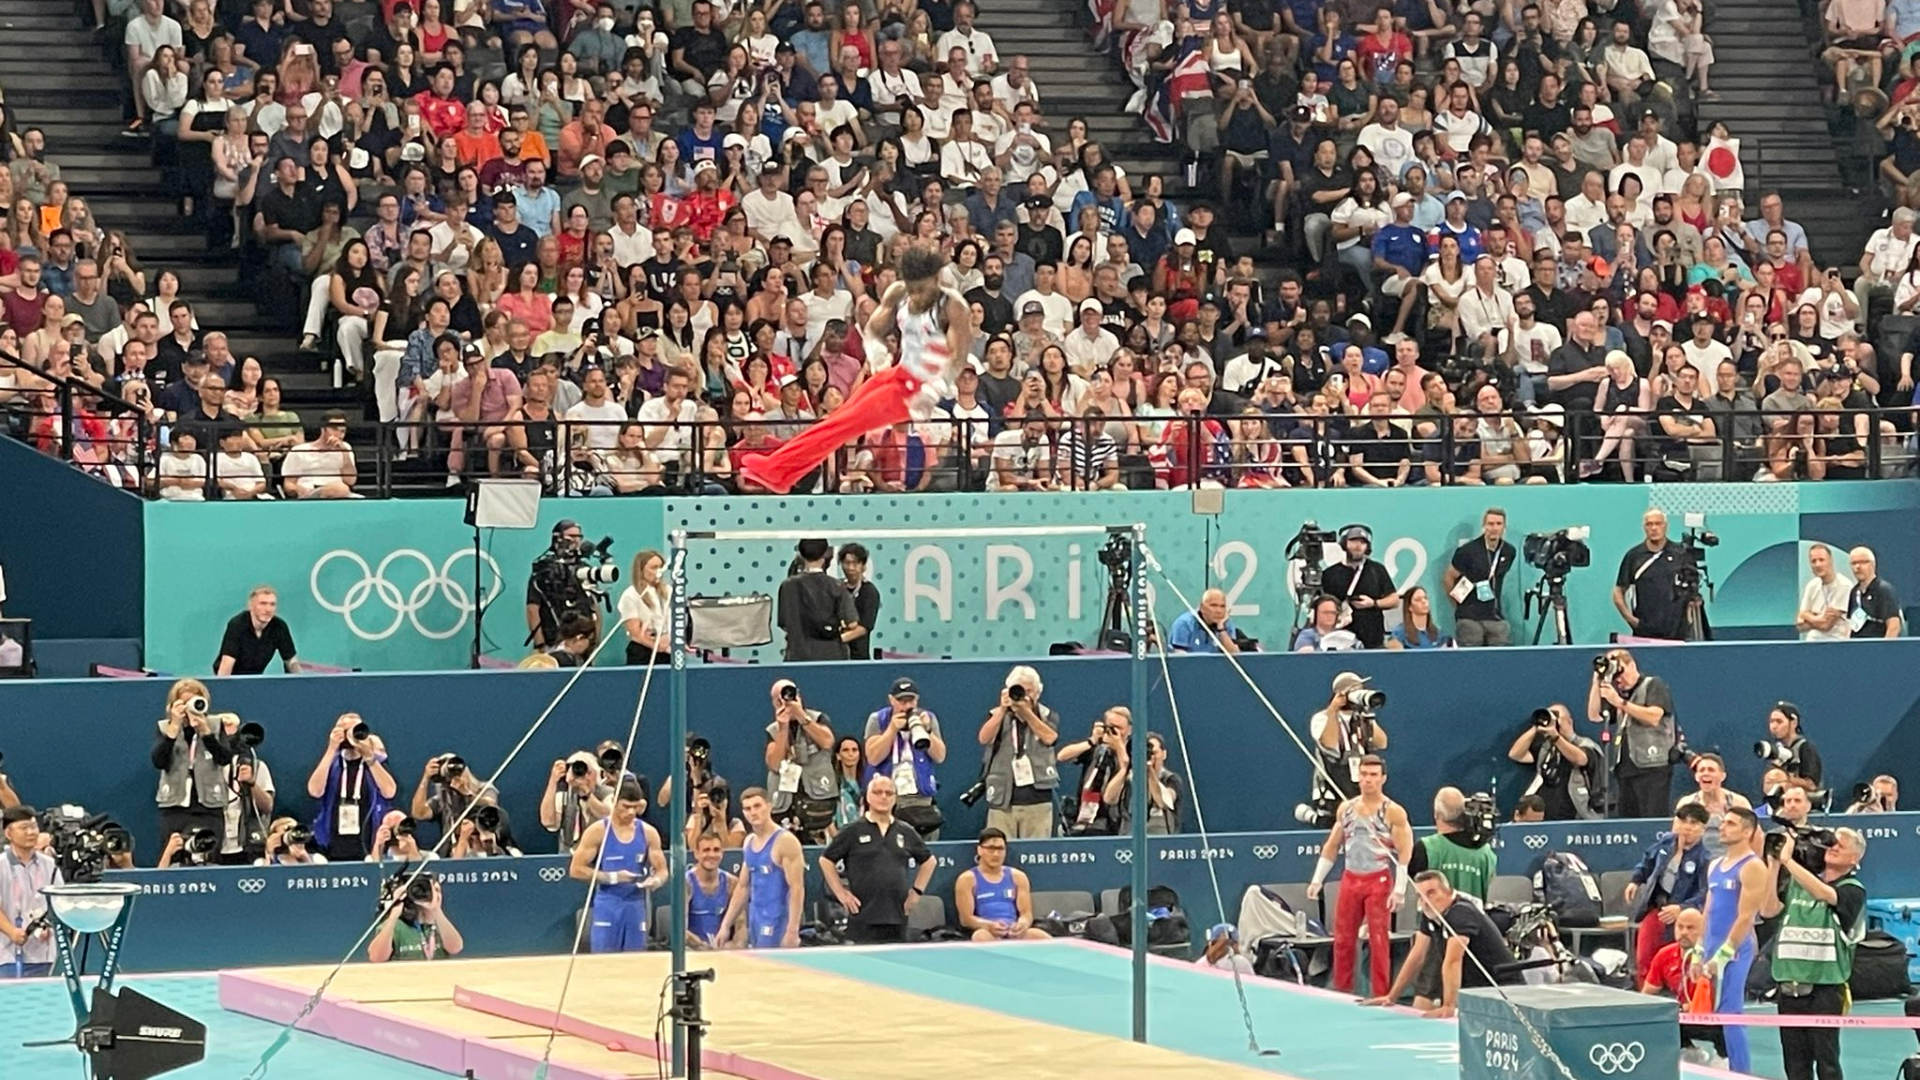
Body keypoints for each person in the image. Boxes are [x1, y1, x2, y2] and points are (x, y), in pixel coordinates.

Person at [739, 244, 973, 493]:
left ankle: (775, 469)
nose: (917, 295)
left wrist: (933, 391)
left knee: (841, 426)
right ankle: (784, 475)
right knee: (834, 421)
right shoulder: (898, 291)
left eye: (922, 288)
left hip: (916, 390)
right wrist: (877, 354)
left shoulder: (954, 306)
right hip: (897, 374)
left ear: (936, 278)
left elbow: (958, 358)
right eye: (913, 288)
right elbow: (873, 330)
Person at [1764, 826, 1867, 1080]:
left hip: (1825, 987)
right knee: (1795, 1062)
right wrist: (1774, 863)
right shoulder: (1797, 884)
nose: (1833, 847)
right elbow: (1767, 910)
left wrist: (1788, 861)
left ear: (1855, 859)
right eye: (1831, 844)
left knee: (1826, 1061)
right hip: (1789, 983)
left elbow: (1825, 894)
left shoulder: (1853, 889)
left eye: (1840, 846)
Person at [1309, 754, 1413, 997]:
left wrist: (1399, 889)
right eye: (1364, 775)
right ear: (1358, 777)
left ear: (1383, 779)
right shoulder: (1346, 809)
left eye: (1373, 775)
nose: (1368, 780)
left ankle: (1381, 994)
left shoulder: (1393, 812)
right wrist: (1317, 879)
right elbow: (1332, 845)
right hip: (1351, 879)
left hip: (1378, 880)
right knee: (1343, 940)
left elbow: (1404, 852)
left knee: (1378, 941)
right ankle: (1343, 992)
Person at [1362, 870, 1519, 1015]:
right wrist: (1392, 996)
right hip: (1473, 987)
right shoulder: (1430, 913)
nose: (1425, 901)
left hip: (1501, 989)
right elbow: (1417, 955)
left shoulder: (1461, 913)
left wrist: (1449, 1006)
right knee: (1422, 1003)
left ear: (1448, 892)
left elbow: (1453, 961)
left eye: (1431, 893)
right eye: (1420, 896)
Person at [819, 774, 938, 943]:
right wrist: (841, 893)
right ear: (868, 796)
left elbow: (929, 861)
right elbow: (826, 860)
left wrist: (917, 892)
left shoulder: (905, 831)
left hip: (897, 915)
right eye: (878, 792)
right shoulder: (853, 830)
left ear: (895, 798)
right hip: (862, 916)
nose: (883, 797)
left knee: (896, 965)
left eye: (889, 793)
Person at [1697, 807, 1771, 1074]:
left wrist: (1723, 954)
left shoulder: (1752, 867)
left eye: (1730, 823)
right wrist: (1698, 949)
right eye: (1723, 822)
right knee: (1712, 1012)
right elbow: (1708, 910)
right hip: (1712, 943)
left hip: (1736, 948)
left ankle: (1742, 1073)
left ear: (1747, 831)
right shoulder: (1715, 865)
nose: (1722, 828)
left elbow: (1746, 916)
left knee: (1731, 1013)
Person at [568, 779, 667, 953]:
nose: (631, 812)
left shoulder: (648, 833)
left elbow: (663, 870)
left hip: (636, 904)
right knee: (604, 961)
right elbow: (576, 869)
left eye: (635, 807)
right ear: (614, 801)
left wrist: (656, 881)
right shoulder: (598, 831)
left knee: (636, 961)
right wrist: (611, 877)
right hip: (608, 904)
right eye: (626, 806)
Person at [1587, 648, 1678, 818]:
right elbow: (1594, 715)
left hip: (1653, 766)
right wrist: (1597, 681)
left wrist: (1620, 703)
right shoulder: (1618, 693)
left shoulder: (1652, 684)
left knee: (1651, 819)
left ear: (1632, 665)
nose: (1618, 679)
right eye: (1615, 675)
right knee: (1629, 822)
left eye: (1620, 672)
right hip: (1626, 767)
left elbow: (1653, 717)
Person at [1624, 804, 1710, 979]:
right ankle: (1645, 997)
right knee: (1644, 958)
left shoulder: (1705, 858)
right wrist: (1636, 880)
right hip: (1657, 909)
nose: (1687, 827)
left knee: (1677, 962)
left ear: (1703, 828)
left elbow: (1705, 893)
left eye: (1693, 823)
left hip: (1682, 916)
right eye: (1683, 821)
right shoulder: (1665, 843)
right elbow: (1647, 860)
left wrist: (1682, 908)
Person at [151, 677, 236, 854]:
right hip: (175, 807)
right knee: (175, 856)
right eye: (184, 702)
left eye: (194, 701)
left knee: (209, 855)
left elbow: (224, 758)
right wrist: (173, 730)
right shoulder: (164, 727)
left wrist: (206, 733)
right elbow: (159, 762)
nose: (189, 707)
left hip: (209, 806)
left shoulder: (215, 725)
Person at [977, 664, 1061, 838]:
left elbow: (1050, 737)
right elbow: (984, 738)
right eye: (1019, 690)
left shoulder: (1047, 715)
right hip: (1003, 799)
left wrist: (1027, 712)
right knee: (1002, 853)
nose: (1024, 695)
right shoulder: (997, 714)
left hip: (1038, 800)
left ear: (1038, 693)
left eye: (1029, 691)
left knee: (1036, 854)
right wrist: (1001, 711)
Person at [1638, 909, 1729, 1064]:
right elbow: (1646, 996)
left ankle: (1724, 1059)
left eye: (1690, 928)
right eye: (1679, 927)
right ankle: (1690, 1051)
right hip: (1682, 1017)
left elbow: (1717, 1000)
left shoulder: (1712, 958)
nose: (1683, 932)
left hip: (1713, 1019)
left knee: (1728, 1030)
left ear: (1703, 931)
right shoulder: (1664, 955)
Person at [720, 788, 806, 948]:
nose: (753, 812)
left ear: (769, 806)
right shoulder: (749, 842)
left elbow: (797, 889)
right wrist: (726, 924)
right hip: (756, 918)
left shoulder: (785, 841)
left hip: (778, 920)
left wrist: (792, 930)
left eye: (757, 806)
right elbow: (743, 887)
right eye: (747, 808)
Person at [862, 676, 947, 838]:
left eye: (911, 700)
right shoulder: (878, 719)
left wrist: (926, 730)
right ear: (891, 700)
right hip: (888, 798)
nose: (907, 706)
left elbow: (940, 756)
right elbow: (872, 757)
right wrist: (891, 730)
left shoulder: (928, 718)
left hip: (920, 799)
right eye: (902, 701)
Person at [763, 679, 840, 843]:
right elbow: (774, 764)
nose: (785, 701)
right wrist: (783, 728)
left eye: (789, 695)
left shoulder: (817, 718)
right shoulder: (773, 729)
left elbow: (827, 741)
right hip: (786, 805)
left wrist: (801, 715)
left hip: (818, 800)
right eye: (779, 699)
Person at [1612, 508, 1696, 640]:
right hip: (1645, 632)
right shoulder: (1634, 556)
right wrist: (1631, 620)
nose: (1654, 528)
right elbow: (1618, 591)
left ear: (1665, 526)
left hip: (1677, 633)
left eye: (1658, 523)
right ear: (1644, 528)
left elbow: (1692, 590)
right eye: (1649, 524)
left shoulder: (1681, 554)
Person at [1506, 704, 1597, 820]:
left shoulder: (1585, 744)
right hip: (1542, 815)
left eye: (1558, 717)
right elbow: (1516, 754)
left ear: (1570, 722)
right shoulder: (1546, 747)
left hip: (1573, 816)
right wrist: (1537, 726)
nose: (1555, 722)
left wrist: (1556, 737)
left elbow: (1581, 759)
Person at [955, 827, 1048, 940]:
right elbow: (966, 919)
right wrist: (988, 926)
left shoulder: (1018, 877)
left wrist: (1022, 925)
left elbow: (1026, 914)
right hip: (986, 931)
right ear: (979, 850)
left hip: (1013, 931)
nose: (996, 854)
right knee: (981, 936)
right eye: (991, 849)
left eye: (1000, 849)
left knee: (1039, 935)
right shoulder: (967, 879)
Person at [777, 538, 862, 661]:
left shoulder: (787, 586)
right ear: (824, 555)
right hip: (832, 656)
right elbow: (852, 623)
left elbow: (784, 623)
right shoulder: (836, 586)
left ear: (801, 555)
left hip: (797, 655)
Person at [1, 806, 60, 978]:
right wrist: (11, 931)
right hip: (8, 956)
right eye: (24, 828)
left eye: (34, 827)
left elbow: (59, 901)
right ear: (9, 834)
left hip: (45, 954)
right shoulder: (1, 865)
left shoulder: (49, 865)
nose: (31, 832)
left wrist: (49, 925)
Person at [1443, 508, 1516, 647]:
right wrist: (1457, 604)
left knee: (1501, 656)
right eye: (1490, 524)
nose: (1494, 528)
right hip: (1469, 617)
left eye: (1498, 524)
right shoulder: (1467, 551)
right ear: (1484, 526)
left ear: (1504, 527)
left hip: (1495, 617)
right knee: (1472, 658)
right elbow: (1449, 576)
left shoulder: (1509, 551)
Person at [1319, 524, 1398, 649]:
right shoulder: (1330, 574)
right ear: (1344, 543)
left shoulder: (1377, 570)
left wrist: (1374, 603)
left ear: (1367, 547)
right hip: (1340, 640)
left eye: (1362, 542)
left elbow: (1394, 600)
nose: (1358, 546)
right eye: (1353, 541)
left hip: (1374, 640)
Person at [368, 875, 465, 962]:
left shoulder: (440, 924)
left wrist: (437, 911)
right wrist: (393, 915)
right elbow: (376, 957)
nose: (428, 894)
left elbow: (455, 948)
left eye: (435, 890)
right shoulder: (397, 927)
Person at [215, 585, 301, 675]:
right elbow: (226, 663)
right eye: (263, 604)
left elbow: (291, 661)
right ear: (251, 606)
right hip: (233, 678)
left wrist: (302, 682)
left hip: (255, 679)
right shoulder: (237, 625)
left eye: (272, 604)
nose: (268, 609)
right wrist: (223, 687)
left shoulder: (280, 627)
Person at [685, 832, 737, 949]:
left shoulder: (732, 883)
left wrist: (735, 946)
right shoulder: (686, 883)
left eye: (716, 850)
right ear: (697, 854)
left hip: (722, 951)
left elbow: (741, 927)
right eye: (706, 850)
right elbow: (679, 930)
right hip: (693, 950)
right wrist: (701, 946)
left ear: (722, 853)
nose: (711, 854)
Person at [1761, 702, 1823, 791]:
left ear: (1794, 722)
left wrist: (1786, 779)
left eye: (1779, 721)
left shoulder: (1805, 748)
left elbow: (1812, 785)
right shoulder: (1777, 749)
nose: (1774, 726)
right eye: (1772, 721)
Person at [1845, 546, 1902, 639]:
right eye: (1854, 563)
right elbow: (1850, 624)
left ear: (1873, 565)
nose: (1858, 567)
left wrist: (1885, 649)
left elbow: (1894, 625)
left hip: (1877, 647)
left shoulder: (1884, 590)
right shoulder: (1854, 592)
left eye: (1863, 562)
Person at [838, 543, 882, 659]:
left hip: (858, 657)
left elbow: (864, 628)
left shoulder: (869, 592)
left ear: (863, 566)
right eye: (847, 563)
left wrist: (838, 640)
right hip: (836, 656)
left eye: (855, 563)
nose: (851, 568)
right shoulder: (836, 588)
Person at [1167, 588, 1242, 653]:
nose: (1219, 611)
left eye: (1222, 606)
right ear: (1201, 607)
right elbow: (1179, 656)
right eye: (1213, 605)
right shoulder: (1184, 623)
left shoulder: (1226, 624)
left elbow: (1235, 656)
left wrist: (1221, 630)